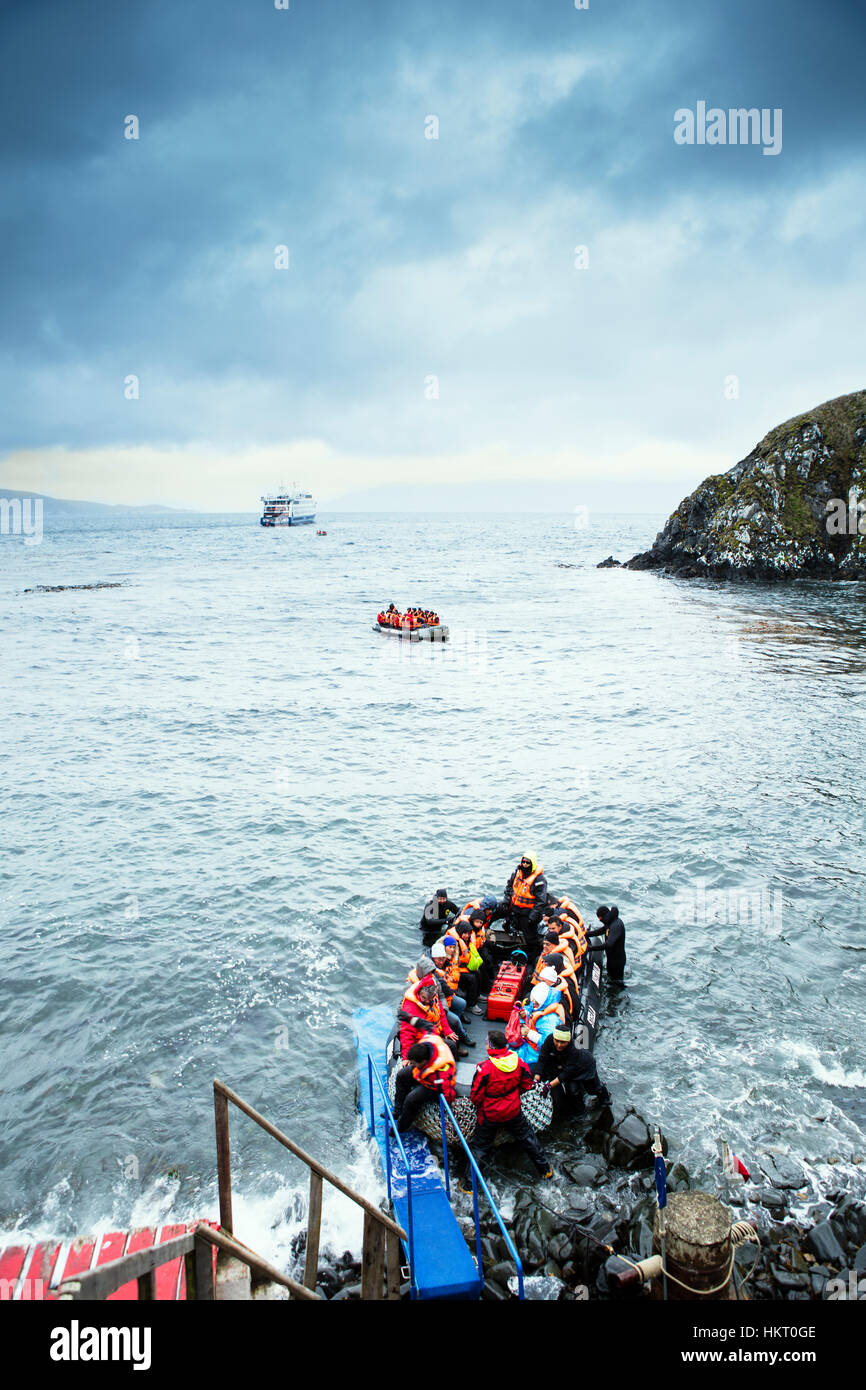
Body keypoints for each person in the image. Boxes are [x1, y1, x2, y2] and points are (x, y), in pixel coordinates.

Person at [459, 1030, 553, 1190]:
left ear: (490, 1046)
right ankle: (546, 1170)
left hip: (490, 1114)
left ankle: (469, 1186)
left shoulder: (485, 1069)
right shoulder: (519, 1063)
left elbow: (476, 1096)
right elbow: (527, 1085)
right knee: (527, 1137)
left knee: (480, 1147)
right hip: (513, 1110)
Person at [535, 1024, 611, 1116]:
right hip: (565, 1065)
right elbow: (542, 1058)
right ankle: (580, 1112)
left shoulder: (574, 1049)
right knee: (573, 1091)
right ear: (554, 1038)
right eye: (557, 1041)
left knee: (593, 1089)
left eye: (563, 1042)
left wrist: (548, 1086)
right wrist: (537, 1077)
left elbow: (566, 1074)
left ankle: (605, 1100)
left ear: (568, 1041)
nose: (559, 1045)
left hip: (584, 1066)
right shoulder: (549, 1040)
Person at [392, 1035, 457, 1134]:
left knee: (411, 1099)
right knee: (402, 1075)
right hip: (424, 1073)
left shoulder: (440, 1075)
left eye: (414, 1063)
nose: (413, 1065)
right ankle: (397, 1110)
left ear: (423, 1061)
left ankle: (401, 1127)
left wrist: (446, 1106)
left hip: (433, 1086)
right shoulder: (427, 1043)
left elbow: (447, 1092)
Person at [398, 974, 466, 1059]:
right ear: (419, 992)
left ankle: (454, 1051)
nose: (427, 1001)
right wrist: (406, 1057)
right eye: (424, 998)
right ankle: (451, 1064)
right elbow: (407, 1033)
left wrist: (447, 1031)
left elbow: (441, 1014)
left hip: (435, 1031)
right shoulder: (411, 1008)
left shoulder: (433, 997)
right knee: (451, 1045)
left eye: (430, 999)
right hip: (422, 1039)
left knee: (454, 1035)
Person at [515, 972, 567, 1070]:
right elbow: (532, 1006)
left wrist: (528, 1033)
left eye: (536, 1003)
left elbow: (548, 1043)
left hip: (536, 1052)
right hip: (528, 1041)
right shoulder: (543, 1000)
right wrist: (525, 1012)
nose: (533, 1005)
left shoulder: (549, 1020)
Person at [504, 855, 548, 953]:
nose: (524, 864)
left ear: (532, 864)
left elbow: (540, 901)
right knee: (507, 924)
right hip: (515, 909)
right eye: (523, 862)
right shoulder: (517, 873)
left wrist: (532, 917)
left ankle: (533, 956)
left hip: (528, 913)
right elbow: (509, 887)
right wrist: (506, 900)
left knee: (530, 937)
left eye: (527, 863)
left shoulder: (539, 880)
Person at [586, 904, 627, 986]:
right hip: (611, 958)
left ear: (605, 916)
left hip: (617, 961)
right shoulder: (610, 922)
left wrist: (591, 948)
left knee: (616, 983)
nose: (601, 921)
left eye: (601, 919)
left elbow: (609, 944)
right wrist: (587, 934)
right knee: (610, 978)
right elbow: (602, 930)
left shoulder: (616, 925)